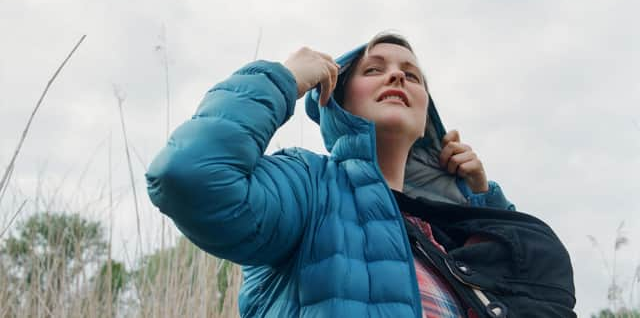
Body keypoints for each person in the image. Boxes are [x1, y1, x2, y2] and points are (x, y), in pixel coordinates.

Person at [146, 33, 575, 317]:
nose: (396, 76)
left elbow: (532, 295)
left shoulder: (448, 231)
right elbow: (187, 177)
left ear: (428, 116)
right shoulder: (310, 187)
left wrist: (481, 201)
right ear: (337, 100)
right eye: (374, 69)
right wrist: (283, 79)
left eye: (412, 75)